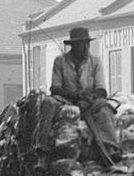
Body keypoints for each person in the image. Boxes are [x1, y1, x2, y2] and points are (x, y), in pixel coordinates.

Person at [50, 26, 121, 163]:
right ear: (73, 46)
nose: (85, 48)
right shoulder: (60, 61)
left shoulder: (95, 61)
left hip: (89, 102)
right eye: (80, 45)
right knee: (51, 104)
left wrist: (89, 98)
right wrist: (75, 96)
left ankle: (112, 147)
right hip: (67, 102)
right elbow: (55, 88)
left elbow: (101, 89)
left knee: (104, 107)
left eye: (86, 44)